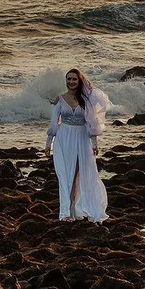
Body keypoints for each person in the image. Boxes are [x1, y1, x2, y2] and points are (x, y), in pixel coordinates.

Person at [44, 68, 111, 222]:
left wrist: (94, 144)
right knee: (65, 175)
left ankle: (77, 209)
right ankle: (65, 212)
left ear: (79, 81)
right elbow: (54, 124)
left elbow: (91, 124)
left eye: (74, 79)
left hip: (82, 138)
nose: (71, 82)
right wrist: (48, 145)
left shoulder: (86, 100)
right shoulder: (59, 99)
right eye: (69, 79)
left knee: (80, 175)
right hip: (64, 138)